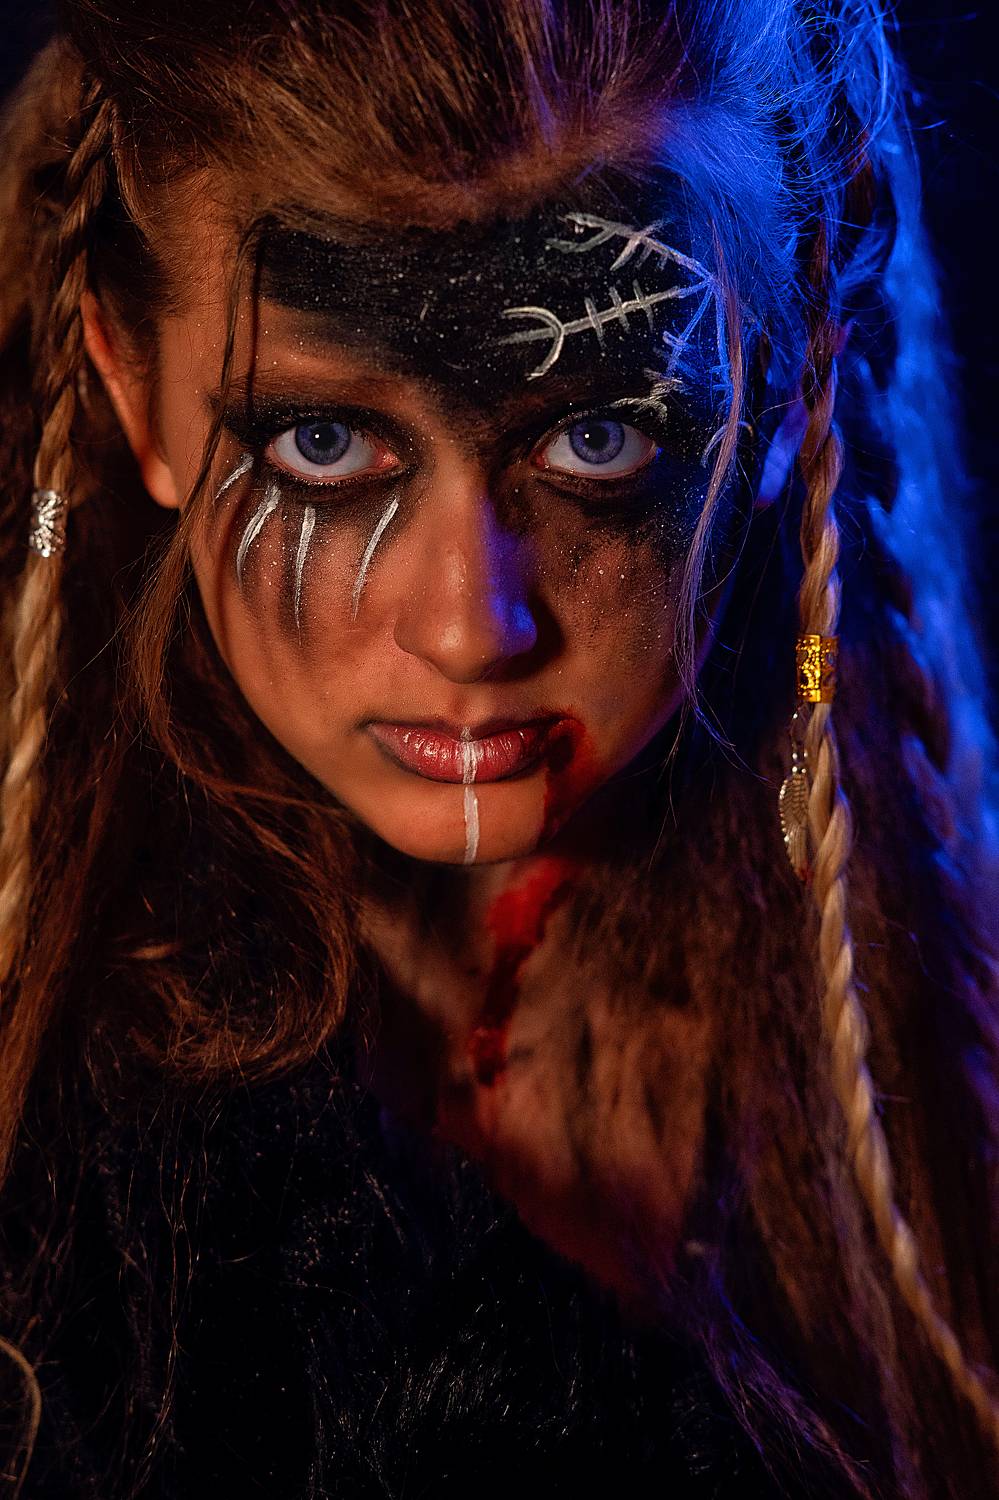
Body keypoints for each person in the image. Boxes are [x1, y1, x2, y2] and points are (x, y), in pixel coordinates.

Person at [0, 0, 995, 1494]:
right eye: (324, 445)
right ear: (133, 386)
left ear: (790, 385)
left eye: (599, 438)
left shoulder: (946, 1067)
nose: (472, 626)